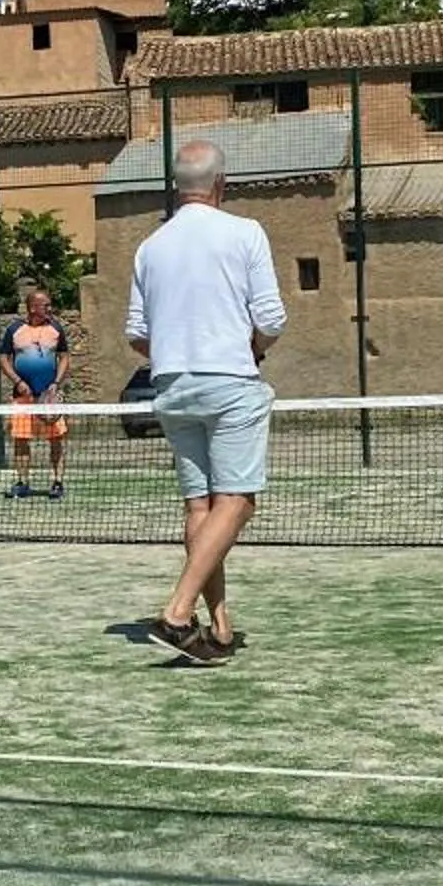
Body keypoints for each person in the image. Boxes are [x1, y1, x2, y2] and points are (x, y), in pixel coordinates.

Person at [125, 138, 285, 665]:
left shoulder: (150, 246)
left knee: (200, 506)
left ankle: (218, 627)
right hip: (230, 381)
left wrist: (178, 350)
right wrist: (252, 350)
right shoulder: (246, 232)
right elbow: (271, 319)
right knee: (236, 501)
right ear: (221, 183)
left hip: (171, 386)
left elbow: (137, 334)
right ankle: (177, 613)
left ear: (178, 187)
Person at [0, 283, 74, 498]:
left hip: (49, 398)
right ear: (33, 308)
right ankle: (23, 483)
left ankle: (57, 483)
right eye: (45, 305)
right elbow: (3, 358)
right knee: (21, 439)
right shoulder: (14, 330)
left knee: (56, 439)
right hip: (23, 397)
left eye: (49, 305)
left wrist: (56, 383)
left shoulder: (56, 329)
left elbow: (64, 357)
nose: (49, 309)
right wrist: (17, 381)